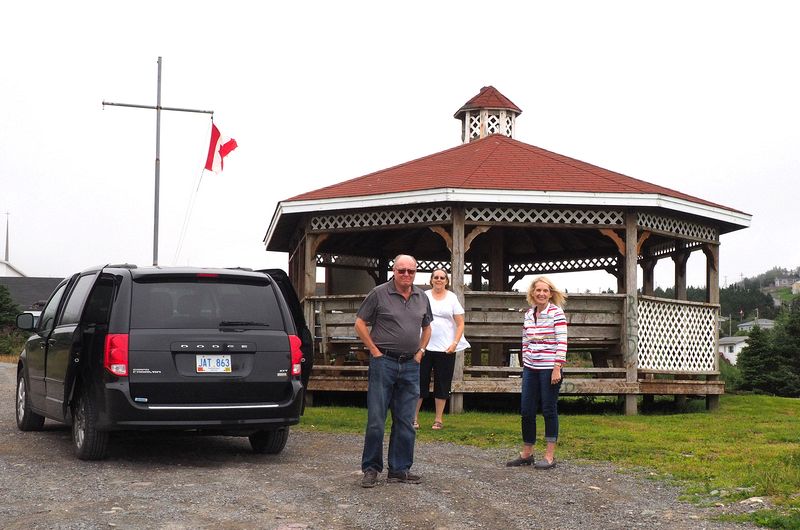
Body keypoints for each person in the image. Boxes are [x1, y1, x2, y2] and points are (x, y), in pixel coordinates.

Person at [355, 254, 432, 488]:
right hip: (384, 362)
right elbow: (360, 323)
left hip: (410, 364)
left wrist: (421, 351)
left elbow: (427, 326)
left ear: (416, 272)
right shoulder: (379, 293)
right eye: (402, 271)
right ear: (394, 271)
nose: (406, 275)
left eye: (411, 271)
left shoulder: (421, 297)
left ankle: (399, 469)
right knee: (377, 419)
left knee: (406, 420)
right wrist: (374, 351)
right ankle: (371, 468)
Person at [506, 276, 567, 470]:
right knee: (526, 410)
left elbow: (562, 341)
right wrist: (525, 360)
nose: (541, 294)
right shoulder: (528, 314)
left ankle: (549, 456)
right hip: (531, 368)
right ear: (532, 293)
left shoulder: (557, 313)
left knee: (549, 410)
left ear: (550, 294)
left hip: (549, 368)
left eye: (545, 291)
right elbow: (525, 339)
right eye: (538, 290)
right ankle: (527, 453)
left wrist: (557, 366)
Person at [414, 268, 469, 431]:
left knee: (442, 384)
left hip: (445, 349)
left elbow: (460, 323)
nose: (439, 280)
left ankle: (438, 419)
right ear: (431, 280)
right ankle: (413, 418)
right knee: (419, 382)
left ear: (447, 281)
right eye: (436, 277)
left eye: (442, 278)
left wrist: (454, 343)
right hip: (424, 346)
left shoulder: (452, 298)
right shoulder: (424, 296)